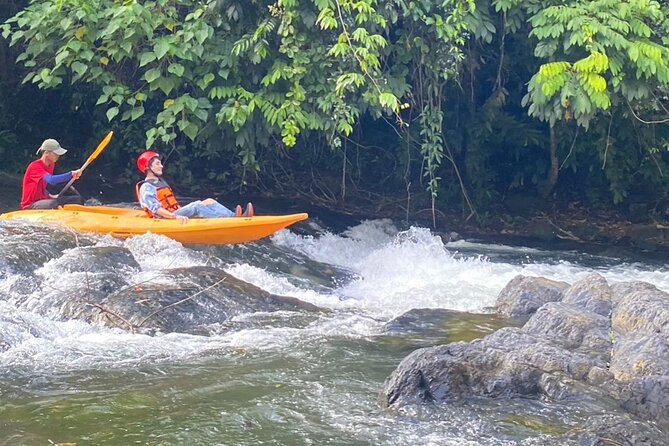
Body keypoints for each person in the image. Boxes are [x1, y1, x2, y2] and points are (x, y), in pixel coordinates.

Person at [135, 151, 253, 222]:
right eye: (157, 164)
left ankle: (235, 217)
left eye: (160, 163)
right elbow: (156, 209)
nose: (161, 166)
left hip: (174, 213)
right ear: (147, 168)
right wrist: (174, 217)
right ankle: (225, 221)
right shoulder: (146, 187)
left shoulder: (160, 182)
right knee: (196, 206)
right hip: (164, 219)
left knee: (209, 201)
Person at [21, 139, 83, 209]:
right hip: (30, 205)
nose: (58, 156)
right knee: (53, 204)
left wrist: (50, 195)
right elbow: (51, 180)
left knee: (77, 199)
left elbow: (41, 185)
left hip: (43, 200)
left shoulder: (51, 165)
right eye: (55, 154)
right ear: (46, 153)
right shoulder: (35, 167)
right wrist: (70, 174)